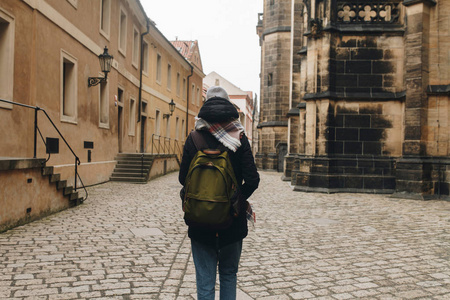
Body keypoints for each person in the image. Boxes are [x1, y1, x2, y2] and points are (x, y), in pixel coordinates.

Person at [179, 86, 260, 300]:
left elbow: (182, 179)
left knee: (204, 281)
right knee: (228, 275)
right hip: (232, 222)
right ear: (229, 108)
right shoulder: (239, 138)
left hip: (199, 220)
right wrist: (235, 200)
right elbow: (252, 179)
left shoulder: (194, 137)